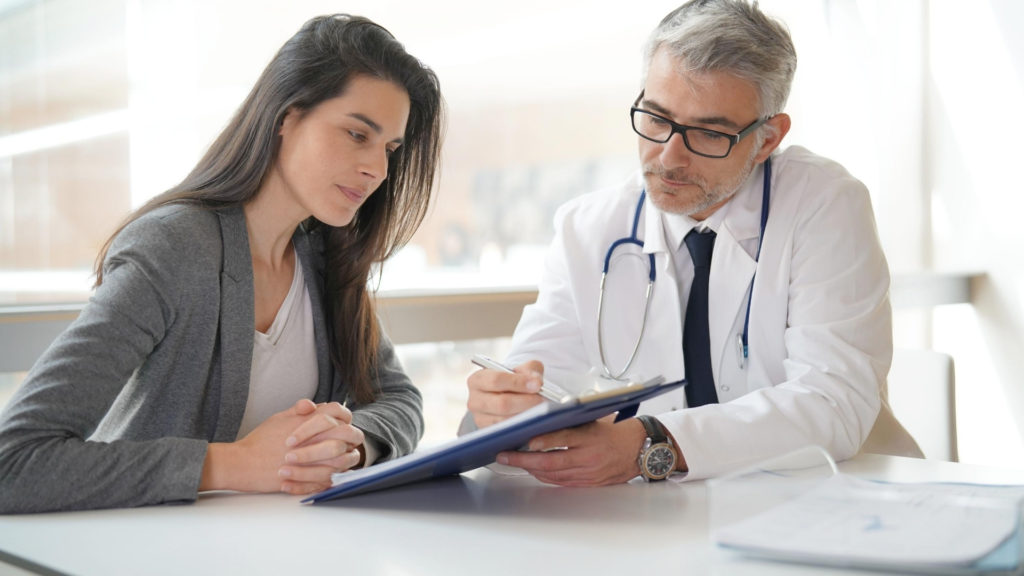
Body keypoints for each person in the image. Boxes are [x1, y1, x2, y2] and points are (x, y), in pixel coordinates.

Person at [465, 0, 921, 486]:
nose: (668, 157)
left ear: (767, 138)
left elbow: (832, 400)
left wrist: (650, 442)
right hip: (665, 517)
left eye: (707, 132)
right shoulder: (587, 228)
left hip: (836, 499)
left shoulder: (824, 204)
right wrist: (507, 404)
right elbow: (538, 375)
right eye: (657, 118)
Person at [0, 14, 443, 513]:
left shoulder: (323, 258)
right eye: (357, 135)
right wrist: (236, 464)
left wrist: (351, 444)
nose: (378, 169)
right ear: (286, 117)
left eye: (390, 149)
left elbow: (400, 399)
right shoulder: (174, 249)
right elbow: (12, 461)